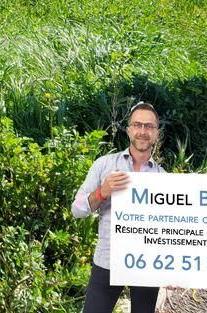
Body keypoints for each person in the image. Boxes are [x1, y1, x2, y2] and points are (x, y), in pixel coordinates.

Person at [71, 102, 165, 313]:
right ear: (129, 129)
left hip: (148, 265)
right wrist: (101, 192)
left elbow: (172, 229)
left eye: (149, 126)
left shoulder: (164, 178)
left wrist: (175, 271)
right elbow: (76, 209)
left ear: (156, 133)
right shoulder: (104, 165)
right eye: (137, 125)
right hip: (108, 262)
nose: (143, 131)